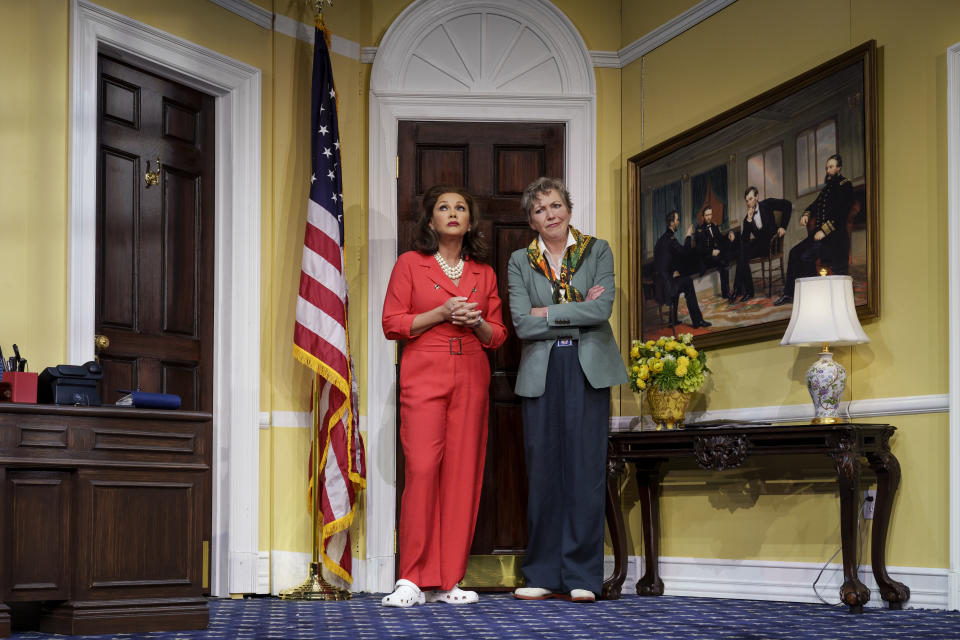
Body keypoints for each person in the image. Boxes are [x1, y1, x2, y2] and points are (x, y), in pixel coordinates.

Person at [381, 184, 507, 607]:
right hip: (424, 369)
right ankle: (411, 578)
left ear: (470, 221)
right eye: (443, 207)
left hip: (472, 369)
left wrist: (476, 323)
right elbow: (392, 323)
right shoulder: (410, 265)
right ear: (431, 220)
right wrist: (441, 313)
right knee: (421, 469)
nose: (452, 213)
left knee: (462, 474)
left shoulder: (483, 274)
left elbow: (498, 334)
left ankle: (450, 578)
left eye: (460, 208)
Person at [507, 177, 628, 604]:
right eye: (540, 210)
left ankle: (582, 576)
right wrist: (576, 309)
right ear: (531, 220)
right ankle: (541, 572)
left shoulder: (598, 249)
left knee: (584, 472)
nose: (550, 215)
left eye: (556, 205)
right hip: (541, 370)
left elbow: (602, 310)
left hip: (587, 368)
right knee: (543, 473)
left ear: (569, 210)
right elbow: (522, 322)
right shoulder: (520, 261)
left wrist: (550, 311)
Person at [774, 154, 855, 306]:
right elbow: (814, 205)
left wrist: (824, 231)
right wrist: (806, 214)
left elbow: (842, 214)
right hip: (819, 236)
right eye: (826, 168)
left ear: (839, 168)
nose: (828, 170)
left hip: (835, 239)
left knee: (806, 257)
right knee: (794, 252)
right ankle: (789, 294)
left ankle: (814, 295)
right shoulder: (826, 190)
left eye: (831, 167)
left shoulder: (845, 185)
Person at [728, 187, 792, 302]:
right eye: (747, 201)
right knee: (742, 253)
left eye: (751, 199)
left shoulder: (767, 204)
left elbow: (787, 204)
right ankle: (746, 291)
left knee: (742, 254)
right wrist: (748, 219)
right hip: (760, 246)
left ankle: (741, 291)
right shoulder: (747, 218)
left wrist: (783, 226)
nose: (749, 203)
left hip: (772, 244)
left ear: (757, 197)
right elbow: (745, 239)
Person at [654, 210, 711, 329]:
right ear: (671, 223)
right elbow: (684, 252)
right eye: (677, 220)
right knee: (688, 282)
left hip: (659, 285)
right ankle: (698, 321)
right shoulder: (671, 239)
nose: (679, 222)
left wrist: (672, 271)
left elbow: (665, 260)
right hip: (666, 286)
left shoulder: (661, 240)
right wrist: (688, 236)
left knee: (679, 278)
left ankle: (673, 319)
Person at [694, 205, 732, 300]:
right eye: (706, 215)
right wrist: (711, 252)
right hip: (706, 258)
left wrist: (729, 234)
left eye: (710, 214)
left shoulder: (714, 226)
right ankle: (726, 292)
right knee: (724, 262)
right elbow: (699, 249)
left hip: (716, 255)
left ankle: (726, 292)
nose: (709, 217)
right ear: (702, 217)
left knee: (725, 259)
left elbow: (721, 238)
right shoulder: (699, 230)